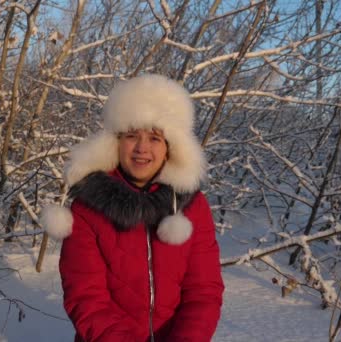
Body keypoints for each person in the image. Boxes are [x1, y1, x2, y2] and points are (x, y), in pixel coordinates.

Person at [42, 74, 224, 341]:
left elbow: (203, 291)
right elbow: (86, 297)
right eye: (131, 135)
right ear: (116, 141)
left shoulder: (192, 206)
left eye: (154, 138)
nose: (142, 148)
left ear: (170, 147)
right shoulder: (89, 208)